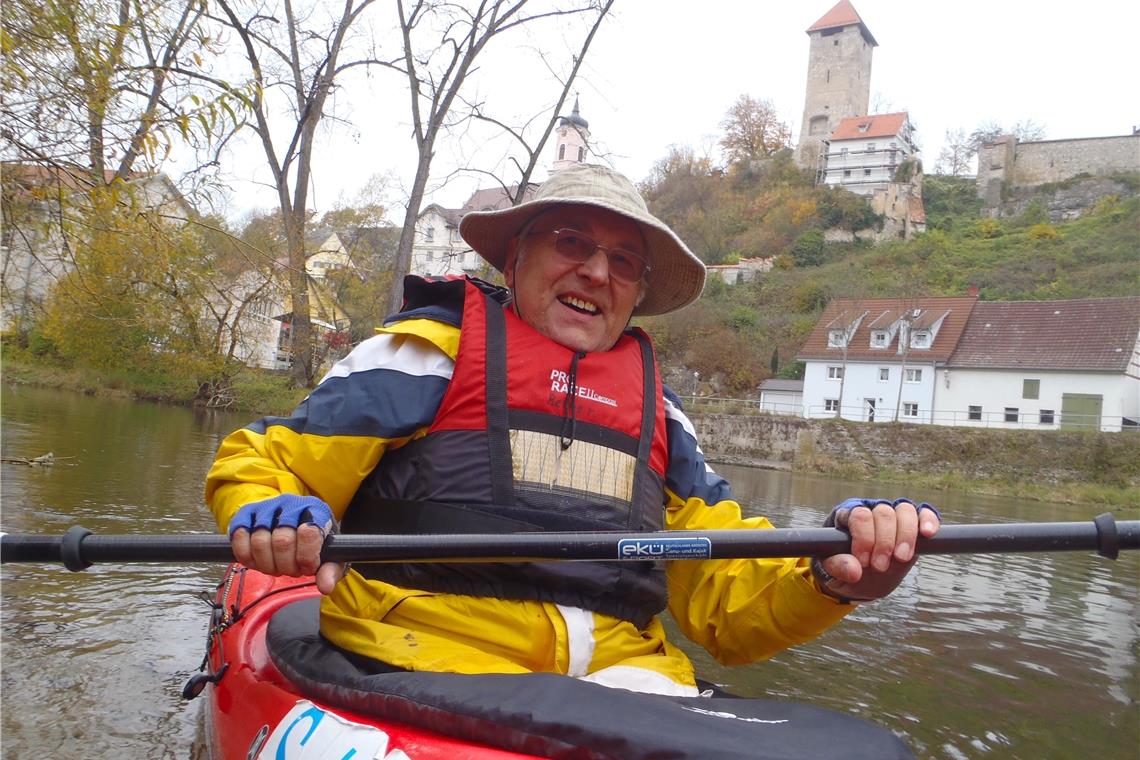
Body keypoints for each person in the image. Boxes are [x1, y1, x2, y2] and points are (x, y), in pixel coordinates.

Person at [206, 163, 940, 698]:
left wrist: (829, 578)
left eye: (624, 262)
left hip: (623, 687)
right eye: (571, 244)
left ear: (638, 294)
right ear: (517, 257)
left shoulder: (660, 416)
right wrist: (272, 505)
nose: (596, 272)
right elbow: (268, 463)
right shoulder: (424, 356)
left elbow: (723, 604)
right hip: (425, 666)